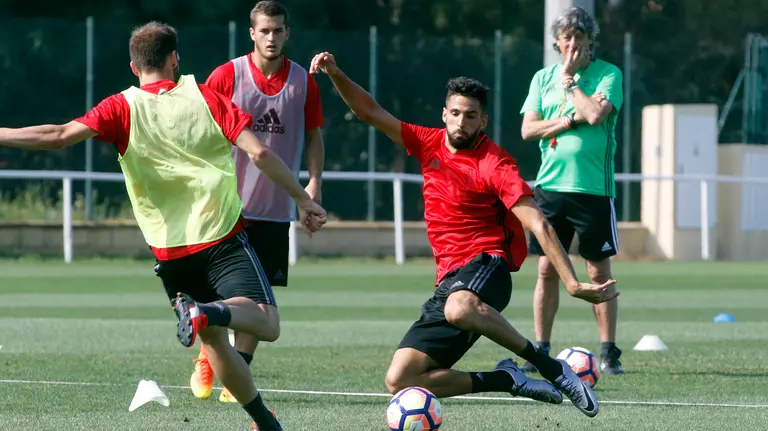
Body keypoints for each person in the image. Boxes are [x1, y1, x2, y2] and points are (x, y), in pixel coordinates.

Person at [0, 22, 328, 431]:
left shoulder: (121, 107)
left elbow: (59, 135)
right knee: (266, 321)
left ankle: (263, 420)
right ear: (174, 59)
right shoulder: (204, 96)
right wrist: (303, 197)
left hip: (170, 253)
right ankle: (206, 313)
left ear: (134, 67)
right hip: (221, 237)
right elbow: (259, 152)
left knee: (212, 341)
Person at [309, 51, 619, 418]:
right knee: (401, 379)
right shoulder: (427, 143)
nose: (461, 122)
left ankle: (552, 367)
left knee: (459, 307)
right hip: (450, 280)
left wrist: (571, 283)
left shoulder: (495, 163)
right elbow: (369, 111)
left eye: (471, 116)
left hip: (489, 266)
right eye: (455, 113)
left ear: (482, 121)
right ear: (444, 115)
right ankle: (506, 380)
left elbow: (539, 223)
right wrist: (334, 73)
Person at [189, 0, 326, 404]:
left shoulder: (304, 81)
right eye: (264, 30)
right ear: (251, 33)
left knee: (260, 295)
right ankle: (206, 355)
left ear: (287, 33)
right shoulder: (227, 75)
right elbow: (199, 129)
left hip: (276, 209)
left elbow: (315, 135)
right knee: (219, 291)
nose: (271, 37)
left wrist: (314, 183)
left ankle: (241, 368)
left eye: (278, 30)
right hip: (225, 208)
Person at [519, 6, 625, 375]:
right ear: (556, 42)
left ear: (591, 41)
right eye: (567, 39)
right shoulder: (540, 78)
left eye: (580, 38)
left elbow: (596, 115)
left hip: (594, 189)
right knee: (547, 269)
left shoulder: (608, 74)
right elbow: (528, 130)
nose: (573, 45)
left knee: (597, 272)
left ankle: (609, 351)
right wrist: (567, 119)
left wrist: (571, 83)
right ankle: (541, 348)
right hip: (549, 187)